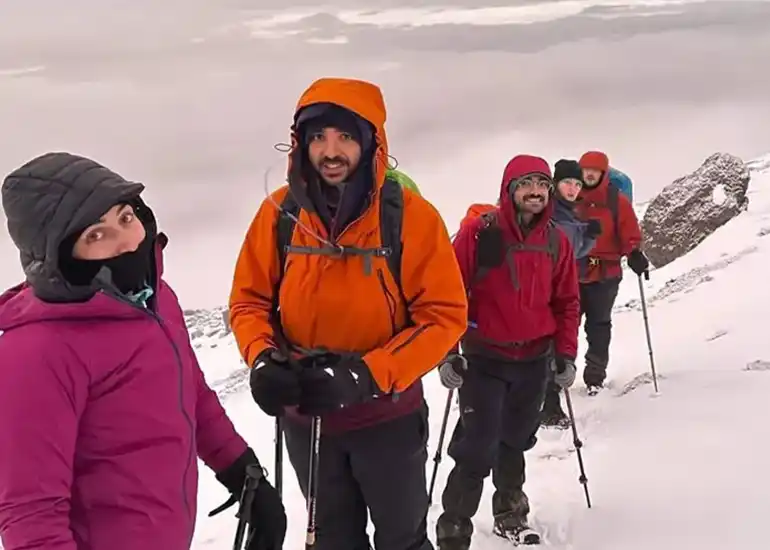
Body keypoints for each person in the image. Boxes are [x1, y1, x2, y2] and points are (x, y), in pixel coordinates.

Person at [0, 152, 286, 550]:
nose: (127, 241)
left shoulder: (154, 300)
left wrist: (241, 470)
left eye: (125, 217)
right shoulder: (36, 353)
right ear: (59, 257)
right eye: (96, 235)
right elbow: (31, 520)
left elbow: (192, 395)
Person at [229, 78, 468, 550]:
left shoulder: (411, 218)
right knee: (332, 540)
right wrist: (262, 358)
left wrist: (366, 375)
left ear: (370, 142)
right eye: (318, 137)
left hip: (388, 420)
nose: (330, 151)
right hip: (307, 420)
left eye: (344, 137)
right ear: (300, 144)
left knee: (402, 539)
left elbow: (443, 316)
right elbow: (249, 301)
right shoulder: (278, 214)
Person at [435, 155, 580, 549]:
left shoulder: (555, 240)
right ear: (509, 189)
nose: (535, 192)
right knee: (477, 445)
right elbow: (448, 295)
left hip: (533, 359)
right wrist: (448, 353)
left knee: (516, 439)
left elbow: (567, 302)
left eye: (541, 185)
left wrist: (565, 354)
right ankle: (453, 530)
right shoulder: (478, 234)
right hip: (484, 359)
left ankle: (510, 514)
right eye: (525, 184)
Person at [576, 151, 649, 393]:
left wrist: (634, 253)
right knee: (565, 325)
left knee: (598, 325)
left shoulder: (617, 201)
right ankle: (558, 375)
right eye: (585, 170)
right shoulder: (569, 197)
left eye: (594, 171)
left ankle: (594, 376)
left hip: (605, 275)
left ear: (603, 173)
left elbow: (630, 233)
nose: (589, 175)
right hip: (573, 272)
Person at [541, 159, 601, 427]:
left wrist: (589, 236)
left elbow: (573, 253)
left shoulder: (568, 214)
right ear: (555, 183)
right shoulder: (552, 214)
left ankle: (547, 405)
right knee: (550, 347)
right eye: (567, 182)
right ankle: (548, 407)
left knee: (556, 346)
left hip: (562, 288)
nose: (573, 188)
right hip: (549, 292)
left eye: (577, 184)